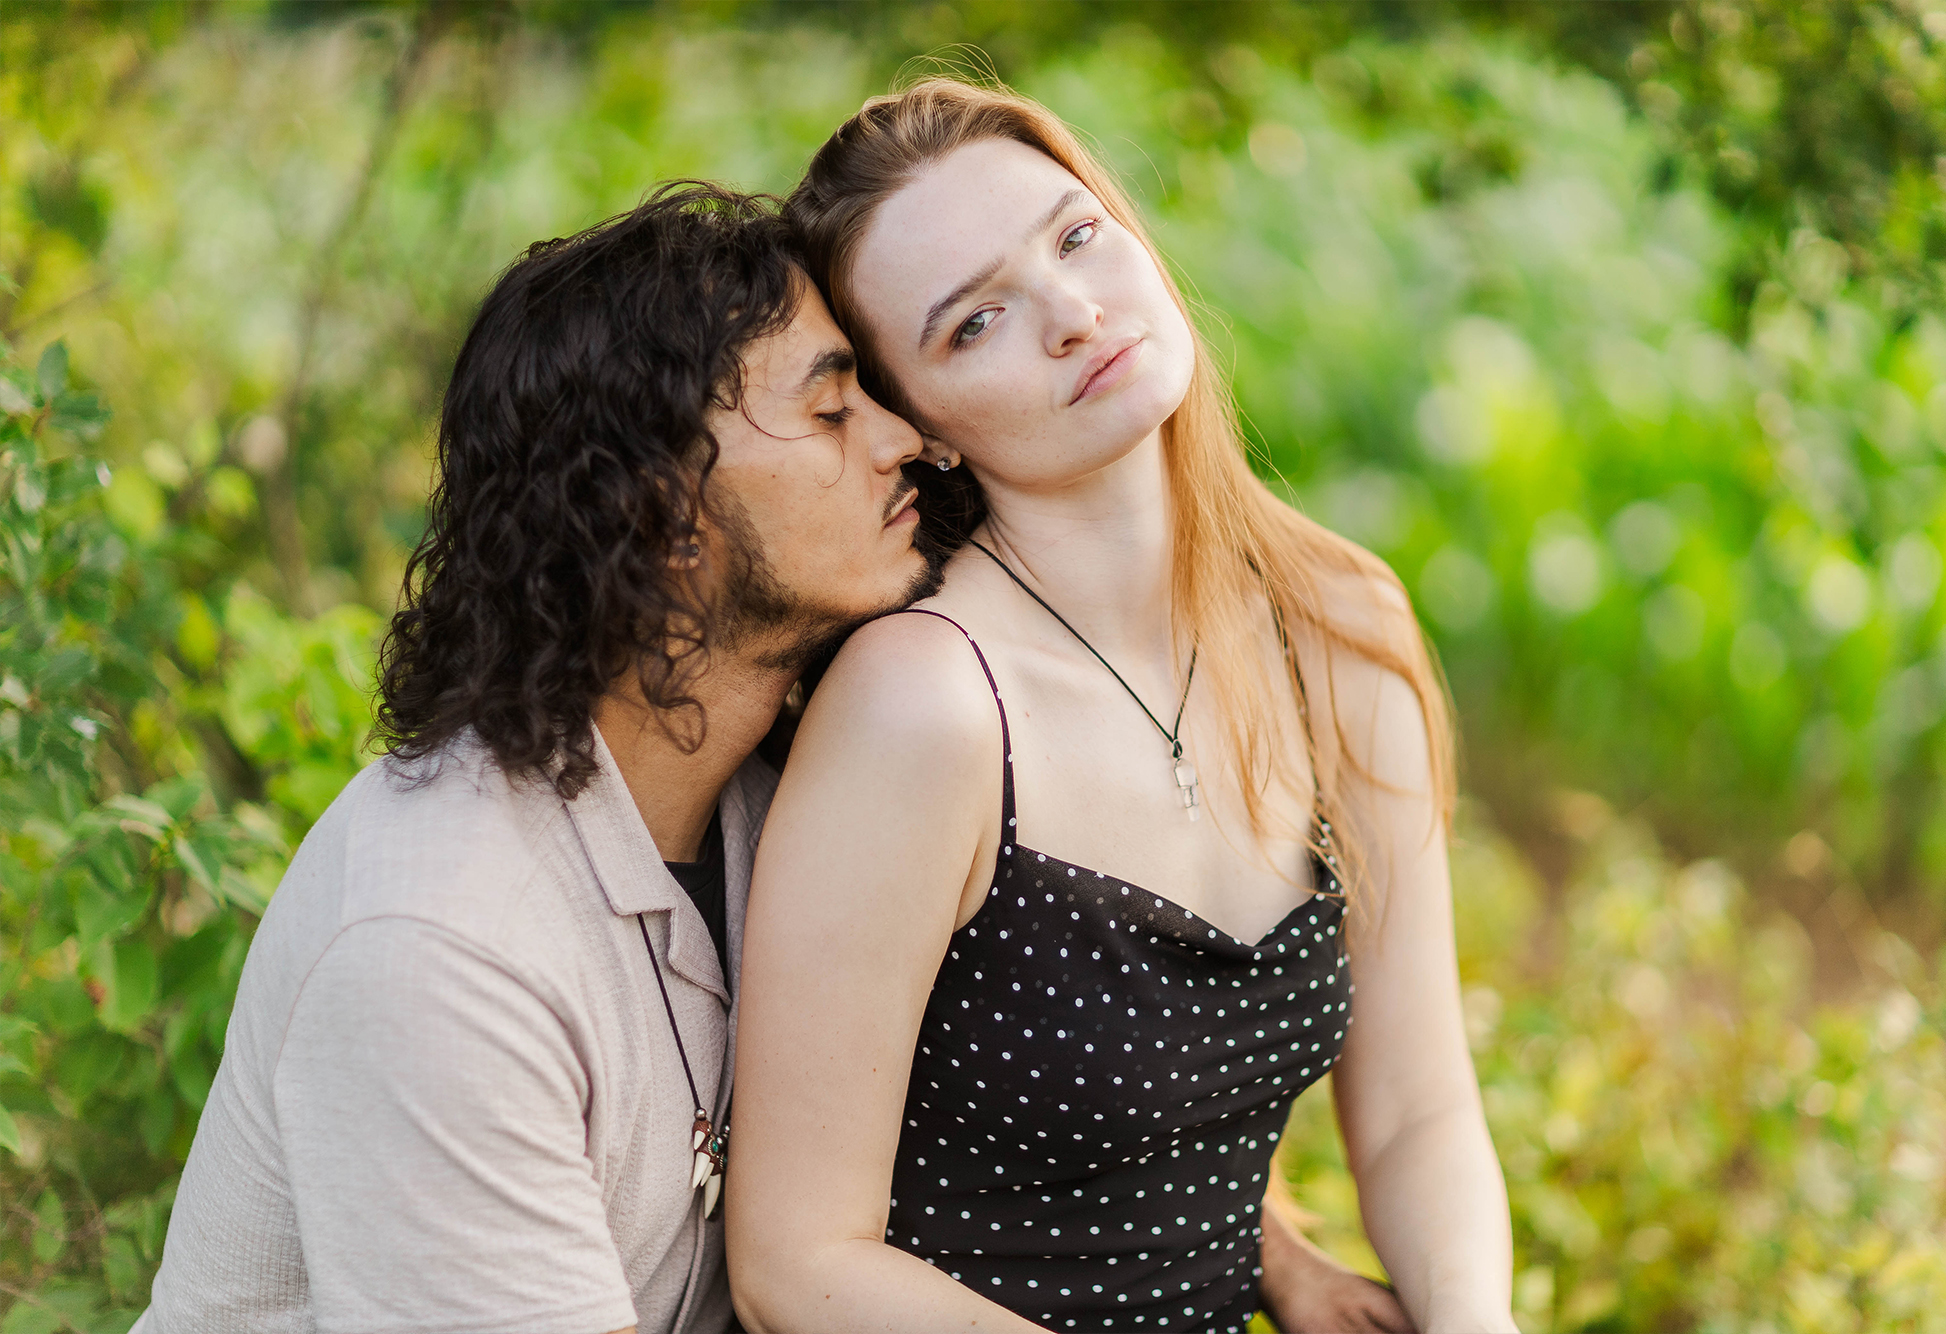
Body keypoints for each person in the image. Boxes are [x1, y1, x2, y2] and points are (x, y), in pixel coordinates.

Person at [726, 80, 1516, 1334]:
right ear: (919, 425)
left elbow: (1420, 1107)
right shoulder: (925, 706)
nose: (1069, 313)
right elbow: (795, 1263)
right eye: (974, 321)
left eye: (1074, 236)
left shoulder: (1336, 628)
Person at [135, 182, 937, 1334]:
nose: (901, 438)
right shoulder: (441, 939)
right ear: (663, 512)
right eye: (828, 413)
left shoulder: (793, 801)